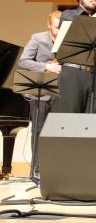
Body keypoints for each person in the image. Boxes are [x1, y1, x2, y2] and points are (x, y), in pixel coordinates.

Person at [18, 11, 62, 177]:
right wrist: (46, 67)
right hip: (40, 93)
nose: (60, 31)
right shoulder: (38, 38)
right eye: (57, 27)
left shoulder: (68, 40)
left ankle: (55, 170)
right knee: (38, 132)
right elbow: (23, 61)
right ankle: (36, 171)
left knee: (58, 132)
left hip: (60, 93)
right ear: (49, 25)